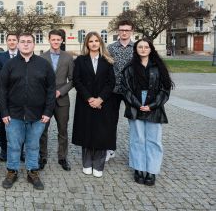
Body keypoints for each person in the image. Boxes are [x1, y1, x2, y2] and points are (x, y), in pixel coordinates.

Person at [0, 33, 55, 190]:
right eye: (22, 42)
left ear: (34, 44)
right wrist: (4, 112)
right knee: (14, 145)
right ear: (17, 44)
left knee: (33, 145)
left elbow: (51, 90)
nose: (25, 44)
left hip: (38, 115)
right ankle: (12, 171)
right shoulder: (9, 65)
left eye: (29, 42)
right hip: (13, 114)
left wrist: (48, 112)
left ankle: (32, 171)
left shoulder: (44, 65)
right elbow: (2, 90)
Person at [121, 38, 173, 186]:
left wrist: (153, 105)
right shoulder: (129, 68)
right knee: (137, 139)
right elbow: (126, 90)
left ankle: (151, 170)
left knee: (154, 140)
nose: (143, 49)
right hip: (135, 104)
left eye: (146, 47)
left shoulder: (158, 67)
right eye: (140, 47)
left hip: (154, 105)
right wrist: (137, 104)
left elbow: (165, 89)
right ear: (136, 50)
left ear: (150, 49)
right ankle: (138, 168)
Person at [72, 31, 115, 178]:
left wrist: (100, 99)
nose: (94, 43)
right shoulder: (80, 60)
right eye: (91, 41)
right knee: (87, 132)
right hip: (85, 103)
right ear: (87, 44)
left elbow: (111, 83)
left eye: (96, 41)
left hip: (103, 103)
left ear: (100, 43)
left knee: (101, 133)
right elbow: (77, 81)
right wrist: (89, 98)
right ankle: (87, 163)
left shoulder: (108, 60)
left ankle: (98, 165)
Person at [39, 29, 73, 171]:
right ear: (49, 40)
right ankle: (42, 157)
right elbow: (38, 80)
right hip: (45, 100)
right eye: (53, 39)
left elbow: (72, 80)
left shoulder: (68, 57)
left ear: (62, 41)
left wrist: (60, 91)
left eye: (58, 40)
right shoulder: (42, 58)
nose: (55, 42)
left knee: (63, 130)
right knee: (42, 130)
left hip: (62, 100)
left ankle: (62, 157)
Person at [106, 20, 135, 162]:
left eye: (127, 30)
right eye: (122, 30)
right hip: (113, 89)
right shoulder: (110, 48)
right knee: (110, 121)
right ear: (118, 31)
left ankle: (135, 151)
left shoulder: (136, 47)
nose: (124, 32)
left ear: (131, 31)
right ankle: (110, 149)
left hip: (131, 90)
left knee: (135, 120)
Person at [0, 32, 20, 162]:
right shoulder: (1, 58)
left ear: (17, 41)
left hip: (20, 97)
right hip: (4, 96)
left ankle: (20, 150)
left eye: (14, 40)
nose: (12, 42)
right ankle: (4, 150)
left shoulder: (23, 55)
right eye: (9, 40)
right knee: (4, 124)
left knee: (20, 124)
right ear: (6, 42)